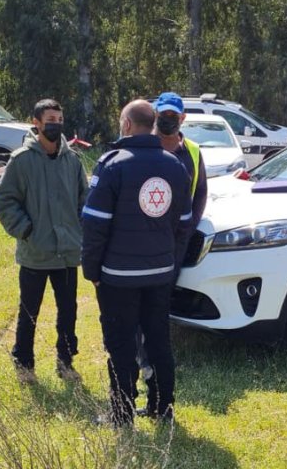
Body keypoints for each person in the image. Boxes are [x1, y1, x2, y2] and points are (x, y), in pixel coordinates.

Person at [82, 99, 192, 426]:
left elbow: (94, 223)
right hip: (159, 274)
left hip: (118, 276)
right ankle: (162, 408)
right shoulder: (175, 166)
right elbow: (183, 221)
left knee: (121, 345)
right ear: (154, 124)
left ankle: (122, 414)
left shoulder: (112, 165)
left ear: (127, 125)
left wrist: (92, 270)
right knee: (159, 340)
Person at [0, 98, 89, 384]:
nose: (55, 124)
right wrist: (25, 230)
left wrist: (80, 232)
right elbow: (3, 200)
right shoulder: (21, 160)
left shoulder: (72, 160)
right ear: (36, 122)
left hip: (67, 253)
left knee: (68, 312)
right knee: (29, 313)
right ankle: (24, 365)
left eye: (59, 119)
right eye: (49, 119)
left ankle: (66, 362)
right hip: (35, 252)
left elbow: (84, 200)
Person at [132, 92, 209, 386]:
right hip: (143, 237)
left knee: (159, 301)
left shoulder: (192, 150)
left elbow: (200, 191)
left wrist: (190, 228)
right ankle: (141, 355)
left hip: (175, 240)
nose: (168, 121)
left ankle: (153, 357)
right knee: (137, 299)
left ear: (182, 119)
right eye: (163, 115)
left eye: (173, 116)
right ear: (155, 115)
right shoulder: (145, 147)